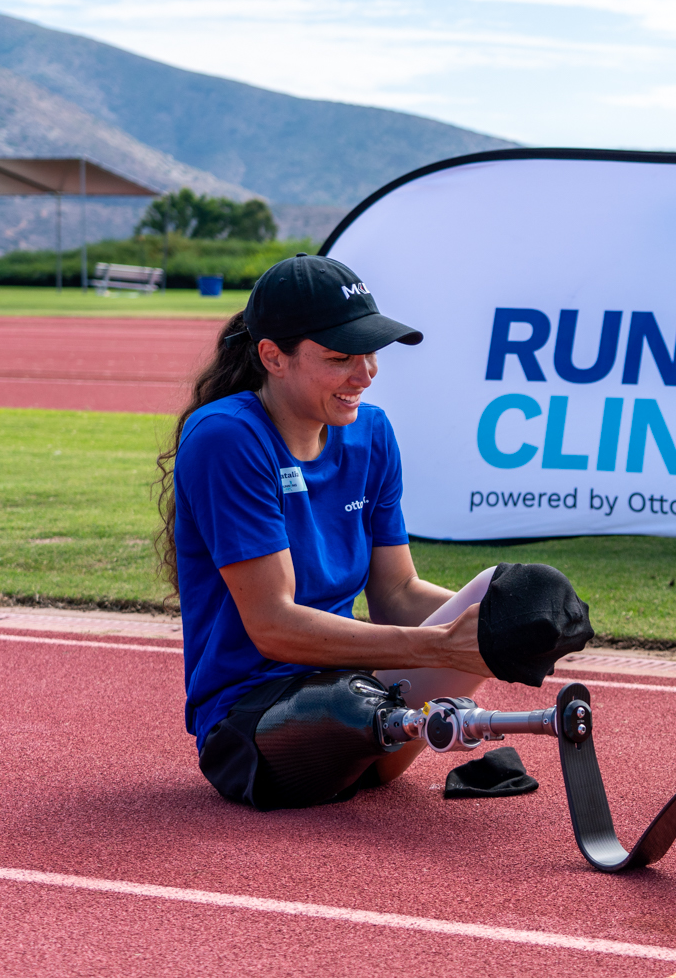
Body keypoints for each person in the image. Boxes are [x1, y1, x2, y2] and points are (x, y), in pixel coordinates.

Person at [159, 254, 591, 811]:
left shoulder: (373, 432)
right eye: (341, 357)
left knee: (520, 592)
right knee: (345, 703)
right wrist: (440, 648)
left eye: (370, 353)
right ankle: (411, 720)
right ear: (273, 356)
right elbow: (273, 626)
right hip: (255, 724)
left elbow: (396, 593)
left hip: (362, 698)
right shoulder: (226, 437)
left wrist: (503, 628)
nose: (365, 373)